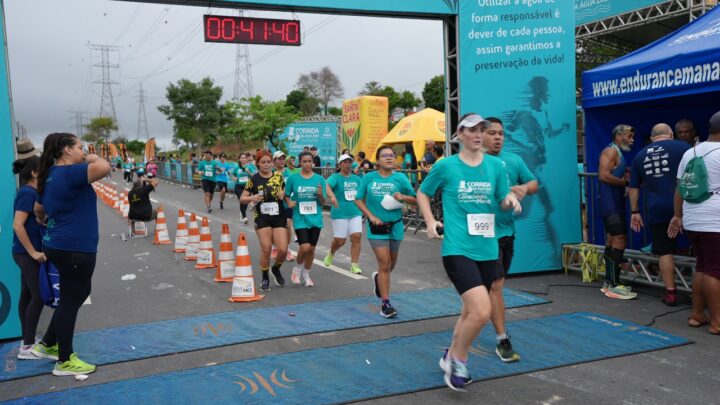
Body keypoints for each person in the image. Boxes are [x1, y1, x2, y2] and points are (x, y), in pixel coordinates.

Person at [417, 113, 521, 391]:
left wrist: (510, 199)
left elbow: (501, 198)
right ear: (459, 135)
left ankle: (450, 354)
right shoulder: (446, 166)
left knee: (468, 312)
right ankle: (458, 361)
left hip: (487, 247)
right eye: (471, 130)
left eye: (482, 130)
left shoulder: (496, 166)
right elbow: (423, 193)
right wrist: (430, 221)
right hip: (457, 248)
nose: (478, 134)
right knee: (481, 311)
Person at [32, 132, 111, 376]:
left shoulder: (49, 177)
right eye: (79, 147)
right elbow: (104, 167)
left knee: (75, 294)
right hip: (75, 247)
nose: (82, 151)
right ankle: (64, 360)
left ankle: (47, 344)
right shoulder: (70, 173)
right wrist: (92, 157)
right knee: (70, 300)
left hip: (57, 243)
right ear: (67, 150)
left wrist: (51, 220)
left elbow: (38, 210)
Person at [482, 116, 538, 363]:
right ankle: (502, 339)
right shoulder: (473, 162)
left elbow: (533, 182)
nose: (497, 138)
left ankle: (473, 320)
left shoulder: (513, 160)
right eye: (492, 133)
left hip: (506, 233)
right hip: (482, 235)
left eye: (501, 134)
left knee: (490, 287)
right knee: (495, 286)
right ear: (480, 135)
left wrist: (524, 189)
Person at [669, 111, 720, 334]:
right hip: (714, 221)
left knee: (702, 265)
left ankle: (697, 314)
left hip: (692, 219)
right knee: (715, 270)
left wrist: (678, 216)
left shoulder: (691, 152)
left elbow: (679, 189)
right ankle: (717, 321)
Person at [628, 123, 690, 306]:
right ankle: (700, 292)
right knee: (700, 248)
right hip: (687, 206)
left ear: (653, 137)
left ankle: (670, 292)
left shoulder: (640, 155)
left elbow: (633, 187)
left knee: (664, 251)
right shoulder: (684, 148)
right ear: (670, 134)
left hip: (656, 208)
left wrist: (635, 211)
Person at [355, 145, 417, 318]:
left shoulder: (401, 178)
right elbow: (358, 199)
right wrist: (370, 216)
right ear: (377, 160)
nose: (390, 158)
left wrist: (403, 197)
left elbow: (415, 200)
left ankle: (378, 280)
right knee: (384, 263)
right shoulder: (368, 178)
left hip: (396, 226)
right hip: (377, 227)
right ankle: (386, 304)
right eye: (385, 156)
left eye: (392, 155)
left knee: (391, 265)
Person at [11, 142, 47, 360]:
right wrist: (33, 252)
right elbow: (18, 224)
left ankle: (27, 339)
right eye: (42, 168)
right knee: (39, 296)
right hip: (25, 253)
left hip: (22, 252)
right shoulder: (27, 193)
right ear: (34, 172)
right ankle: (27, 347)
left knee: (27, 294)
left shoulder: (29, 191)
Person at [598, 124, 637, 299]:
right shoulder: (610, 151)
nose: (632, 140)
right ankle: (614, 285)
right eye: (629, 136)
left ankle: (609, 281)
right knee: (620, 239)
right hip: (611, 204)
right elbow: (603, 175)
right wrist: (626, 184)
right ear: (619, 136)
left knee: (612, 239)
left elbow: (611, 173)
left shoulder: (616, 153)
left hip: (614, 203)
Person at [240, 151, 288, 291]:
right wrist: (252, 198)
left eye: (268, 162)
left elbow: (285, 192)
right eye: (263, 162)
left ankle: (276, 269)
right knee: (266, 248)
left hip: (279, 216)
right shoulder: (253, 180)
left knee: (283, 250)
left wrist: (282, 194)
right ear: (258, 164)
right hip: (262, 217)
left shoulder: (278, 177)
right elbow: (243, 198)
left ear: (272, 163)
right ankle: (265, 277)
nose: (266, 164)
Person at [285, 151, 327, 287]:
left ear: (313, 162)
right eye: (304, 161)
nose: (307, 164)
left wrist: (320, 195)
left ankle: (306, 275)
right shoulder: (293, 178)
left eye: (310, 161)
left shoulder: (319, 179)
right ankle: (297, 269)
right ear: (300, 163)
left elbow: (323, 202)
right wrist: (289, 202)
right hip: (300, 217)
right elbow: (286, 195)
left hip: (315, 218)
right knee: (304, 247)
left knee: (312, 250)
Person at [323, 154, 364, 274]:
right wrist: (332, 196)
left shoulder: (356, 179)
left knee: (356, 237)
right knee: (340, 241)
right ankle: (331, 253)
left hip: (355, 211)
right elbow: (327, 186)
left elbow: (364, 190)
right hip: (340, 212)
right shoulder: (335, 177)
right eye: (345, 162)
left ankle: (354, 265)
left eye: (349, 162)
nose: (347, 164)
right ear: (340, 164)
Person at [273, 151, 296, 262]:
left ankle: (288, 249)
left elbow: (293, 187)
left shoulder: (289, 174)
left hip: (287, 205)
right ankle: (274, 247)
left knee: (288, 225)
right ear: (274, 161)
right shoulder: (270, 173)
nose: (281, 161)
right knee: (274, 228)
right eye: (279, 159)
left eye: (283, 158)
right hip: (273, 205)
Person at [231, 153, 252, 224]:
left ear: (246, 159)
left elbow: (254, 176)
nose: (243, 159)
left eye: (244, 158)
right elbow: (232, 175)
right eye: (241, 158)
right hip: (238, 186)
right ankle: (244, 217)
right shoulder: (237, 167)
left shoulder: (249, 167)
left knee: (246, 202)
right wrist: (234, 178)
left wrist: (248, 171)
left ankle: (242, 213)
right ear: (239, 159)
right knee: (242, 200)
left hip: (247, 187)